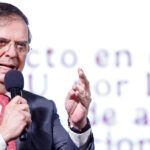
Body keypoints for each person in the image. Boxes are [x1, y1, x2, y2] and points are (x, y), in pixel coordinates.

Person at [0, 2, 94, 150]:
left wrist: (78, 126)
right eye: (1, 42)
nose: (12, 53)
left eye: (20, 45)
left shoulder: (43, 108)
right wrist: (3, 136)